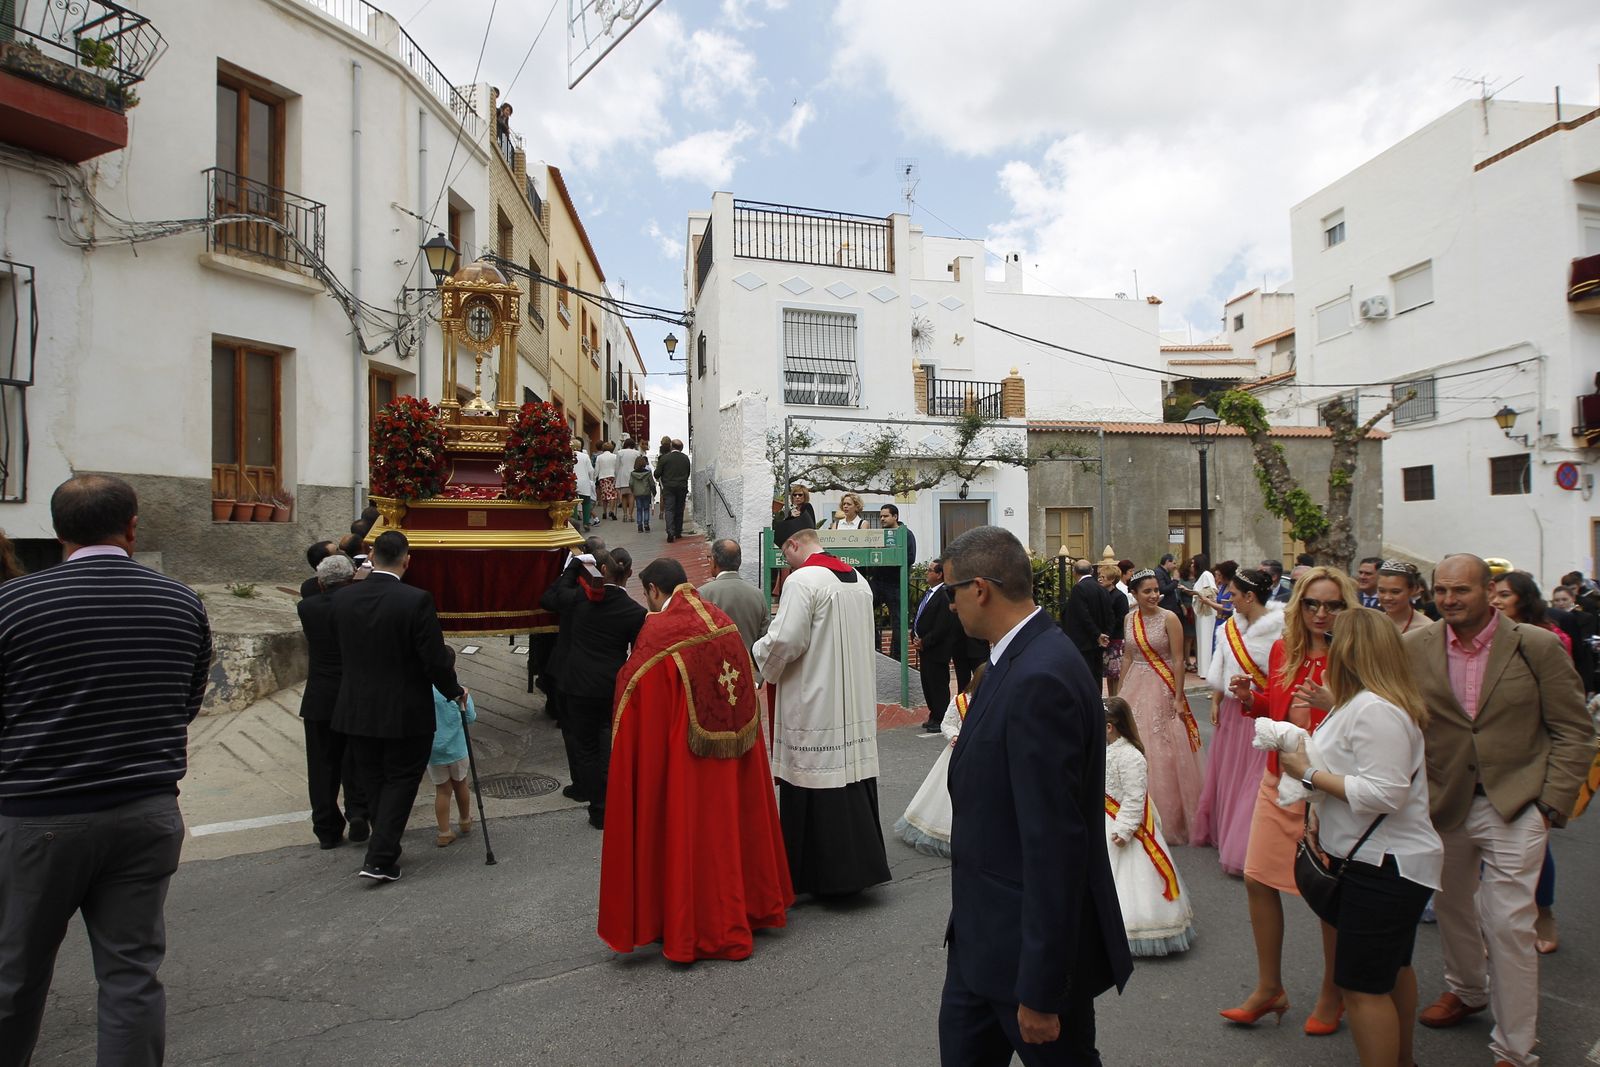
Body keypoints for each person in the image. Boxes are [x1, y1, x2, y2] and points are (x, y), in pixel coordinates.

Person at [0, 476, 211, 1065]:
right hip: (146, 809)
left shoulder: (14, 605)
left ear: (56, 531)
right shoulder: (180, 601)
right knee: (131, 977)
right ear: (133, 525)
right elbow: (187, 701)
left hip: (38, 814)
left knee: (15, 974)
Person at [937, 526, 1131, 1066]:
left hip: (1024, 961)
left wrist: (1042, 989)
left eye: (950, 593)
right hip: (982, 942)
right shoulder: (1014, 656)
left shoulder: (1041, 673)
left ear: (980, 590)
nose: (949, 606)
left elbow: (1054, 844)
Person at [1415, 559, 1592, 1042]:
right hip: (1445, 802)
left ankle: (1515, 1045)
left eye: (1461, 590)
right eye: (1441, 590)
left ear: (1490, 590)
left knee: (1510, 924)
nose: (1449, 599)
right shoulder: (1416, 646)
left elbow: (1575, 730)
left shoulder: (1536, 645)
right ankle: (1467, 989)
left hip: (1516, 803)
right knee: (1451, 908)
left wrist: (1551, 803)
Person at [599, 558, 793, 962]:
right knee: (727, 830)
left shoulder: (659, 631)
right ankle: (745, 906)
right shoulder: (721, 621)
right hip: (731, 755)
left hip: (684, 758)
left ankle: (689, 926)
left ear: (653, 590)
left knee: (688, 833)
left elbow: (635, 693)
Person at [1276, 608, 1441, 1067]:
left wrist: (1307, 772)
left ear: (1350, 651)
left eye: (1334, 642)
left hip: (1382, 865)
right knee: (1393, 970)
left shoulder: (1375, 710)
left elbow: (1385, 794)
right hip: (1384, 861)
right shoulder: (1366, 703)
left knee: (1363, 986)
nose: (1326, 649)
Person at [1221, 565, 1358, 1034]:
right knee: (1258, 879)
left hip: (1328, 791)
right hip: (1278, 779)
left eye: (1332, 605)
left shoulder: (1357, 655)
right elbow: (1278, 709)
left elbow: (1377, 717)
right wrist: (1251, 699)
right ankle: (1269, 987)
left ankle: (1333, 992)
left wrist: (1333, 701)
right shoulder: (1286, 649)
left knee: (1326, 896)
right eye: (1313, 604)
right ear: (1299, 607)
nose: (1321, 613)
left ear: (1346, 608)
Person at [753, 518, 890, 896]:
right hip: (853, 700)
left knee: (814, 775)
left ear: (794, 545)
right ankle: (859, 871)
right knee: (850, 777)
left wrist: (756, 653)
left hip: (816, 698)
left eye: (785, 554)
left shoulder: (803, 581)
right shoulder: (857, 579)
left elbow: (787, 641)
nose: (786, 563)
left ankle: (820, 876)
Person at [331, 530, 466, 883]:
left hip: (357, 706)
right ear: (407, 560)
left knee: (374, 776)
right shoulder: (416, 600)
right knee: (402, 779)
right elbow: (434, 659)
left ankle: (384, 842)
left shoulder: (344, 598)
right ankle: (380, 856)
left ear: (372, 557)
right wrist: (453, 691)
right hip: (405, 707)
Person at [1193, 566, 1282, 876]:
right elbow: (1221, 667)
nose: (1227, 599)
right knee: (1230, 774)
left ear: (1250, 596)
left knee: (1254, 782)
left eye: (1232, 594)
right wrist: (1216, 700)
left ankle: (1247, 846)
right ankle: (1226, 831)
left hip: (1261, 711)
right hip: (1232, 709)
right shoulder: (1228, 628)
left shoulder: (1280, 630)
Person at [559, 547, 646, 829]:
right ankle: (614, 799)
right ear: (629, 574)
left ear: (603, 570)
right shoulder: (635, 612)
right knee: (609, 742)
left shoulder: (581, 601)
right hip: (611, 684)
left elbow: (556, 595)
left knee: (585, 747)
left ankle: (598, 807)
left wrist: (575, 567)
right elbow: (638, 653)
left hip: (578, 683)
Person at [1103, 696, 1195, 957]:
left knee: (1130, 879)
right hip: (1104, 818)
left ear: (1110, 727)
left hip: (1123, 825)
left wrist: (1124, 828)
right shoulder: (1105, 751)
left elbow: (1135, 797)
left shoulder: (1131, 757)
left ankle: (1136, 926)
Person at [1118, 569, 1203, 845]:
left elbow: (1179, 660)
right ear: (1135, 594)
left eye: (1156, 590)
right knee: (1131, 742)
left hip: (1162, 683)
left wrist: (1178, 696)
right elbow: (1129, 656)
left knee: (1162, 746)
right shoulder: (1129, 619)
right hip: (1135, 684)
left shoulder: (1170, 618)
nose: (1154, 595)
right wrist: (1119, 693)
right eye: (1147, 591)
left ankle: (1167, 816)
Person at [295, 554, 370, 849]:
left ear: (320, 583)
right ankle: (359, 812)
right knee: (355, 759)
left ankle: (326, 827)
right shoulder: (358, 606)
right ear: (351, 579)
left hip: (319, 696)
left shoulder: (307, 608)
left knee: (321, 765)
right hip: (353, 694)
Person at [539, 535, 607, 801]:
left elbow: (547, 598)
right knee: (601, 735)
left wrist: (570, 570)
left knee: (576, 737)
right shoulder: (623, 605)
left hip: (570, 676)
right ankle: (603, 787)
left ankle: (582, 786)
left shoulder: (573, 597)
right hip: (604, 679)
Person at [895, 664, 985, 858]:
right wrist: (954, 735)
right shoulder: (961, 701)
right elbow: (947, 723)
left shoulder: (995, 701)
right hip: (959, 754)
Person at [914, 558, 987, 733]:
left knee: (981, 681)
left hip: (976, 645)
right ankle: (962, 717)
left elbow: (944, 623)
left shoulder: (975, 590)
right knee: (962, 684)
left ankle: (982, 714)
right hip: (959, 646)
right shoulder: (949, 591)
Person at [698, 539, 770, 682]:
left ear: (713, 561)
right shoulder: (757, 594)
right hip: (749, 675)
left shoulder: (702, 594)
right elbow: (765, 638)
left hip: (716, 676)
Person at [428, 646, 477, 847]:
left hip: (434, 751)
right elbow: (470, 718)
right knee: (461, 785)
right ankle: (465, 820)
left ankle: (444, 831)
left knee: (442, 790)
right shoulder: (459, 691)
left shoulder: (425, 691)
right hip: (457, 748)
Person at [868, 503, 916, 658]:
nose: (882, 519)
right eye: (880, 516)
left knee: (898, 621)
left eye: (885, 516)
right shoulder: (879, 534)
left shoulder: (906, 534)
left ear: (895, 516)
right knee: (864, 609)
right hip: (877, 581)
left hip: (896, 583)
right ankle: (874, 647)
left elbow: (910, 558)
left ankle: (896, 657)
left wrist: (890, 557)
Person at [1063, 557, 1117, 690]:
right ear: (1092, 571)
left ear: (1074, 573)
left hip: (1083, 643)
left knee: (1083, 679)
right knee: (1096, 678)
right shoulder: (1102, 589)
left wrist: (1097, 634)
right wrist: (1105, 635)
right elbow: (1110, 615)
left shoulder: (1079, 589)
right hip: (1098, 643)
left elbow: (1083, 616)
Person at [1189, 554, 1222, 679]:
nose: (1191, 566)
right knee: (1203, 640)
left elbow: (1212, 592)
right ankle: (1204, 669)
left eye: (1193, 563)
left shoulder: (1206, 575)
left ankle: (1208, 670)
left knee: (1207, 639)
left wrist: (1196, 593)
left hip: (1207, 613)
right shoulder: (1201, 576)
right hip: (1202, 613)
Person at [1099, 561, 1129, 698]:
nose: (1099, 579)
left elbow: (1120, 618)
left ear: (1111, 580)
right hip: (1106, 637)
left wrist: (1108, 633)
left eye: (1103, 577)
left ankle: (1116, 699)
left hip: (1116, 638)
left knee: (1115, 673)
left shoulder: (1119, 597)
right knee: (1109, 674)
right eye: (1099, 576)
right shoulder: (1102, 595)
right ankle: (1111, 698)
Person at [1375, 559, 1428, 634]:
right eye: (1382, 591)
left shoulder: (1425, 628)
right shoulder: (1372, 624)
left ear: (1413, 590)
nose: (1387, 597)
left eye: (1395, 592)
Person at [656, 438, 691, 542]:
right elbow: (688, 473)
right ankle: (678, 531)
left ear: (671, 446)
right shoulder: (685, 458)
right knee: (679, 509)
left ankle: (670, 532)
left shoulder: (665, 458)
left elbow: (657, 473)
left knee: (669, 509)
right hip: (682, 486)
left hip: (668, 488)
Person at [572, 438, 597, 530]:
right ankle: (586, 522)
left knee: (573, 503)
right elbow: (591, 470)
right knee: (586, 502)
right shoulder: (585, 456)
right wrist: (591, 480)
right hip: (584, 481)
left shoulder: (568, 456)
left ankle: (573, 522)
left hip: (572, 481)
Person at [615, 437, 641, 517]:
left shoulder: (620, 452)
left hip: (622, 475)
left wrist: (616, 477)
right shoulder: (637, 453)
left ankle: (625, 514)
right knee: (631, 495)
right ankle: (630, 515)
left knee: (624, 496)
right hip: (633, 475)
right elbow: (638, 465)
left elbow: (617, 466)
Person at [594, 441, 619, 521]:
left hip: (602, 477)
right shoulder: (615, 457)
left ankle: (604, 512)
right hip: (611, 476)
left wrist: (594, 478)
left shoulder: (599, 457)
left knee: (604, 495)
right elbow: (617, 468)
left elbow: (597, 469)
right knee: (612, 494)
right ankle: (611, 510)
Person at [627, 454, 653, 532]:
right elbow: (651, 483)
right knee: (646, 509)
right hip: (646, 493)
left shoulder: (633, 474)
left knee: (639, 509)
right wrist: (653, 491)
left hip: (637, 493)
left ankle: (639, 526)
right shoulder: (648, 473)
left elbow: (631, 483)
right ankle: (646, 524)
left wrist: (633, 490)